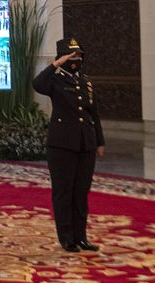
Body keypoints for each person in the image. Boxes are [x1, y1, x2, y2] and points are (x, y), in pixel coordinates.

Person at [32, 37, 105, 252]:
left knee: (81, 192)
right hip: (62, 145)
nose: (76, 60)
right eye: (71, 56)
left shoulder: (86, 81)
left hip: (85, 144)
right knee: (64, 192)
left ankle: (81, 236)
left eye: (79, 56)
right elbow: (37, 84)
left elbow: (94, 114)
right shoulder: (54, 80)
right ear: (62, 58)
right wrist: (55, 64)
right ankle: (67, 237)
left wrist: (99, 141)